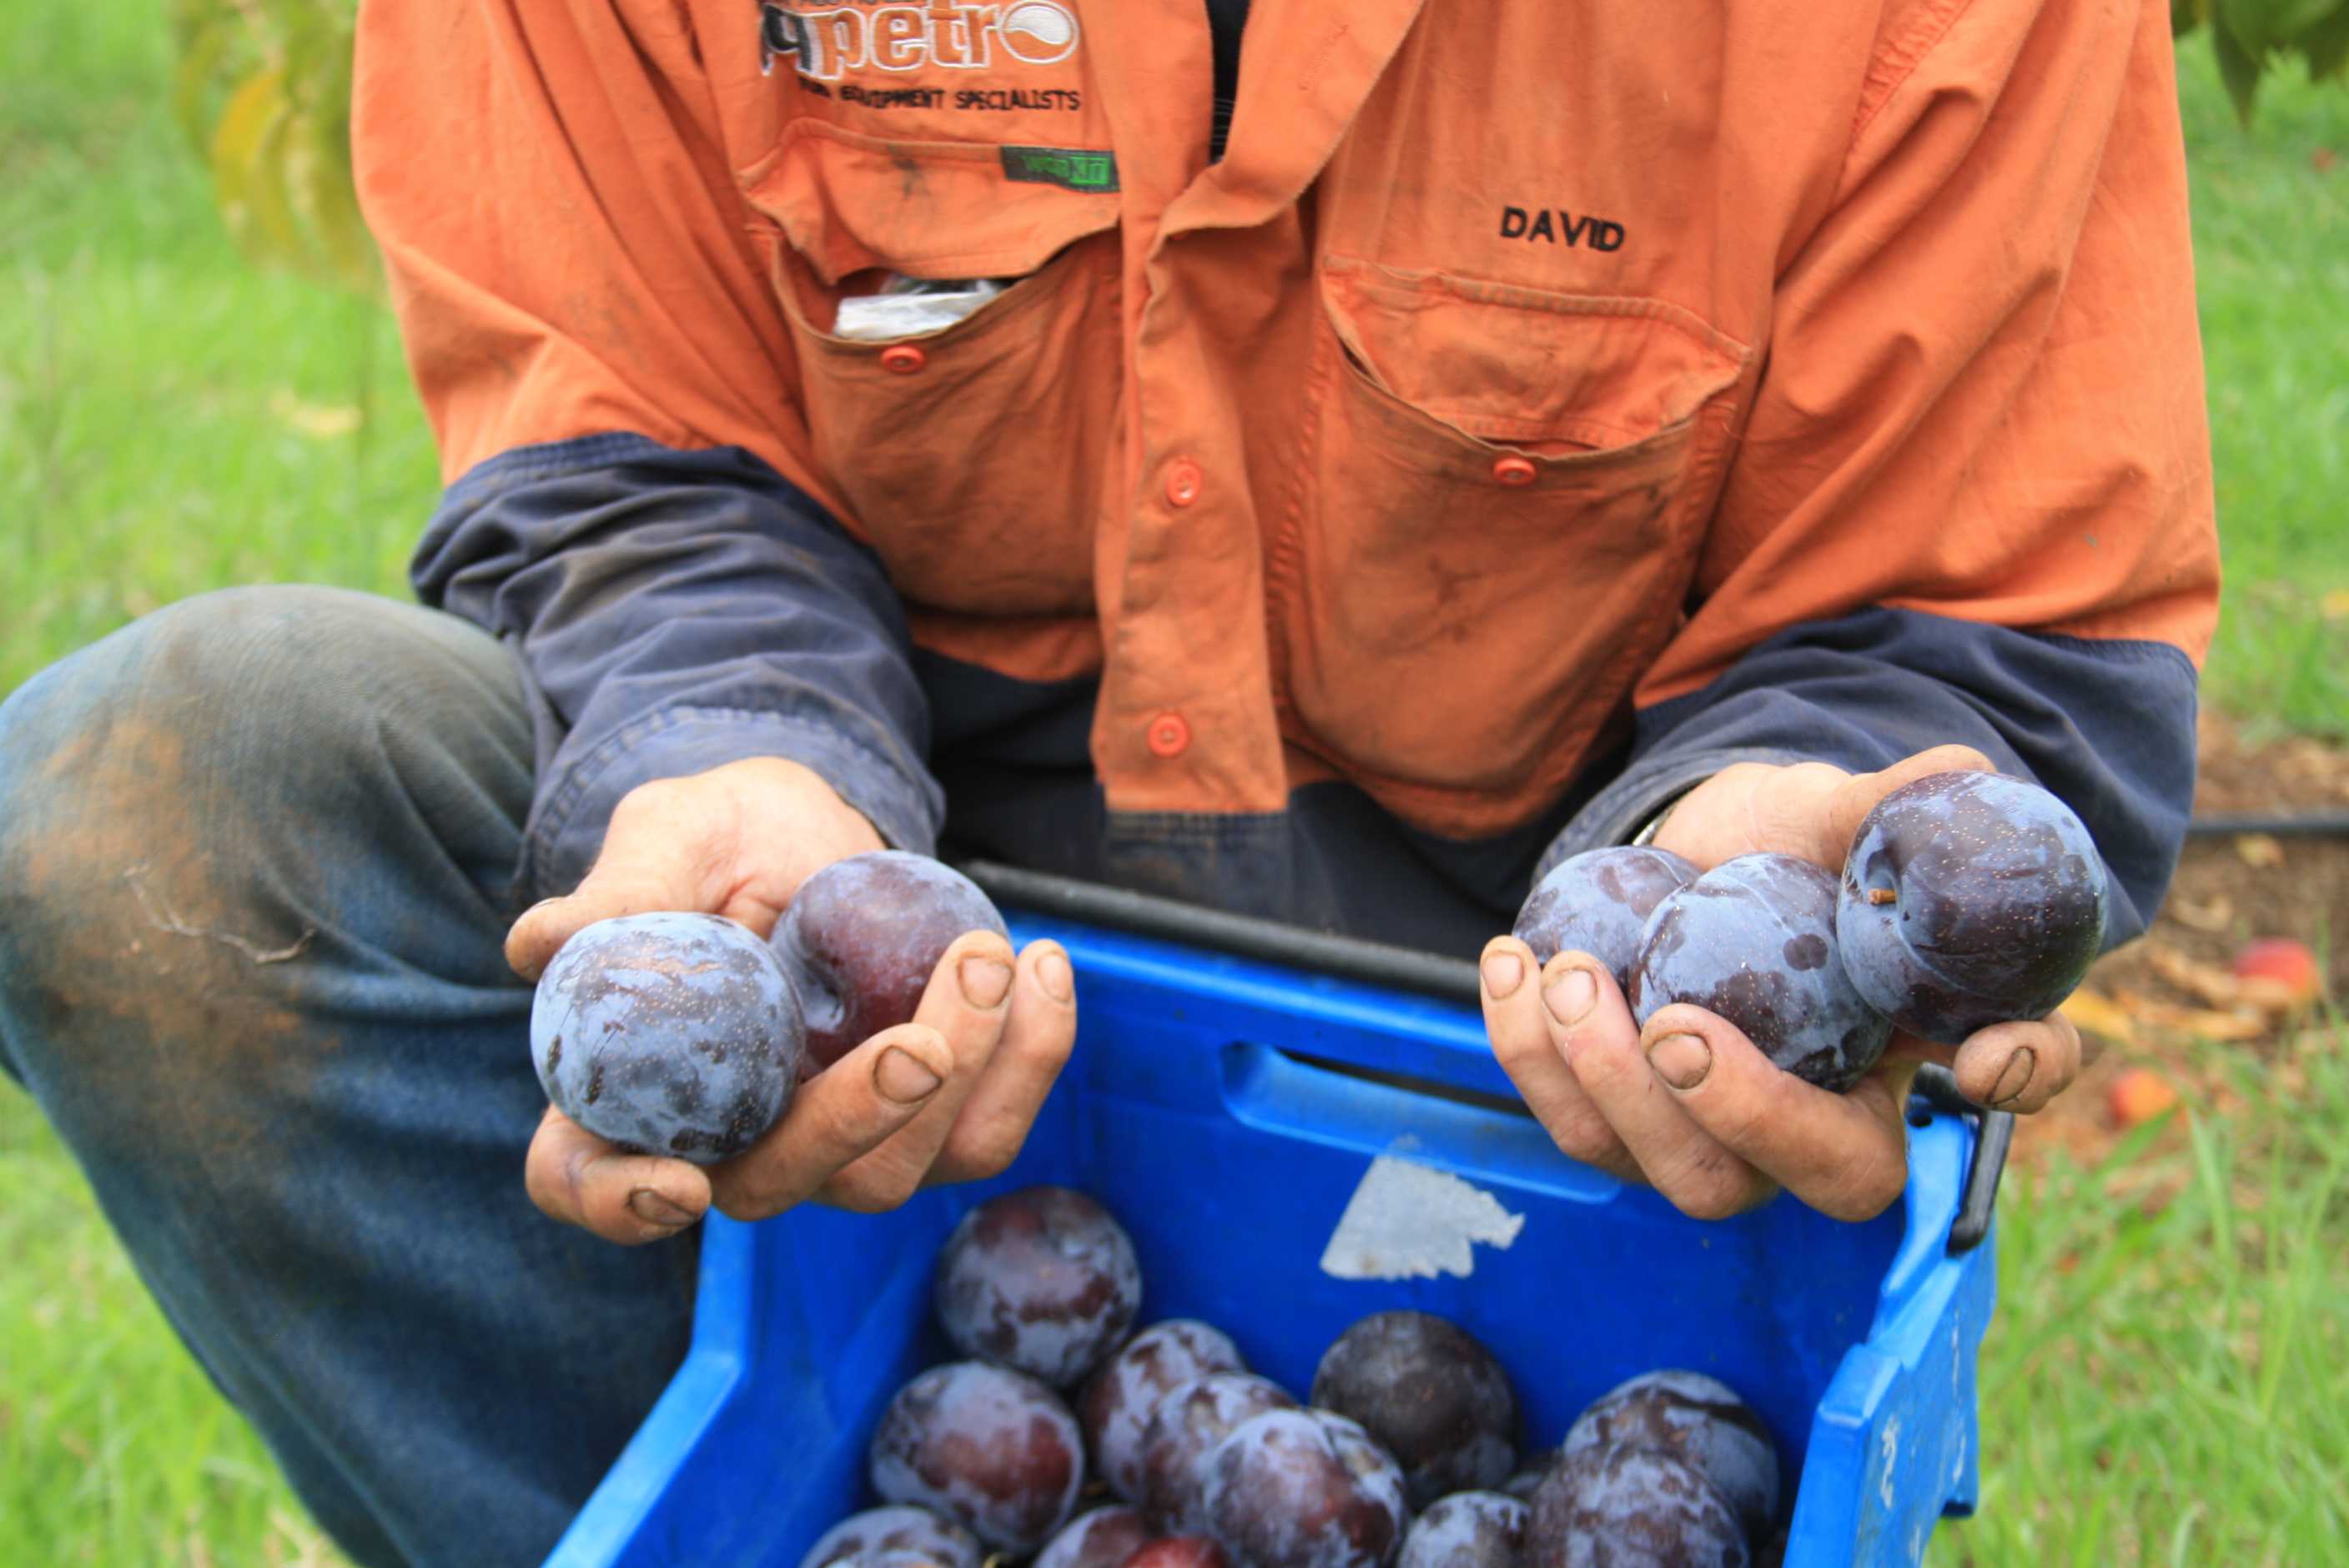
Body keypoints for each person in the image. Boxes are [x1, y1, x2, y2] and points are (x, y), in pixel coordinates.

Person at [0, 0, 2216, 1562]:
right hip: (899, 934)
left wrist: (1792, 860)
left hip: (1537, 1023)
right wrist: (739, 762)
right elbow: (631, 448)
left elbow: (1978, 601)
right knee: (165, 807)